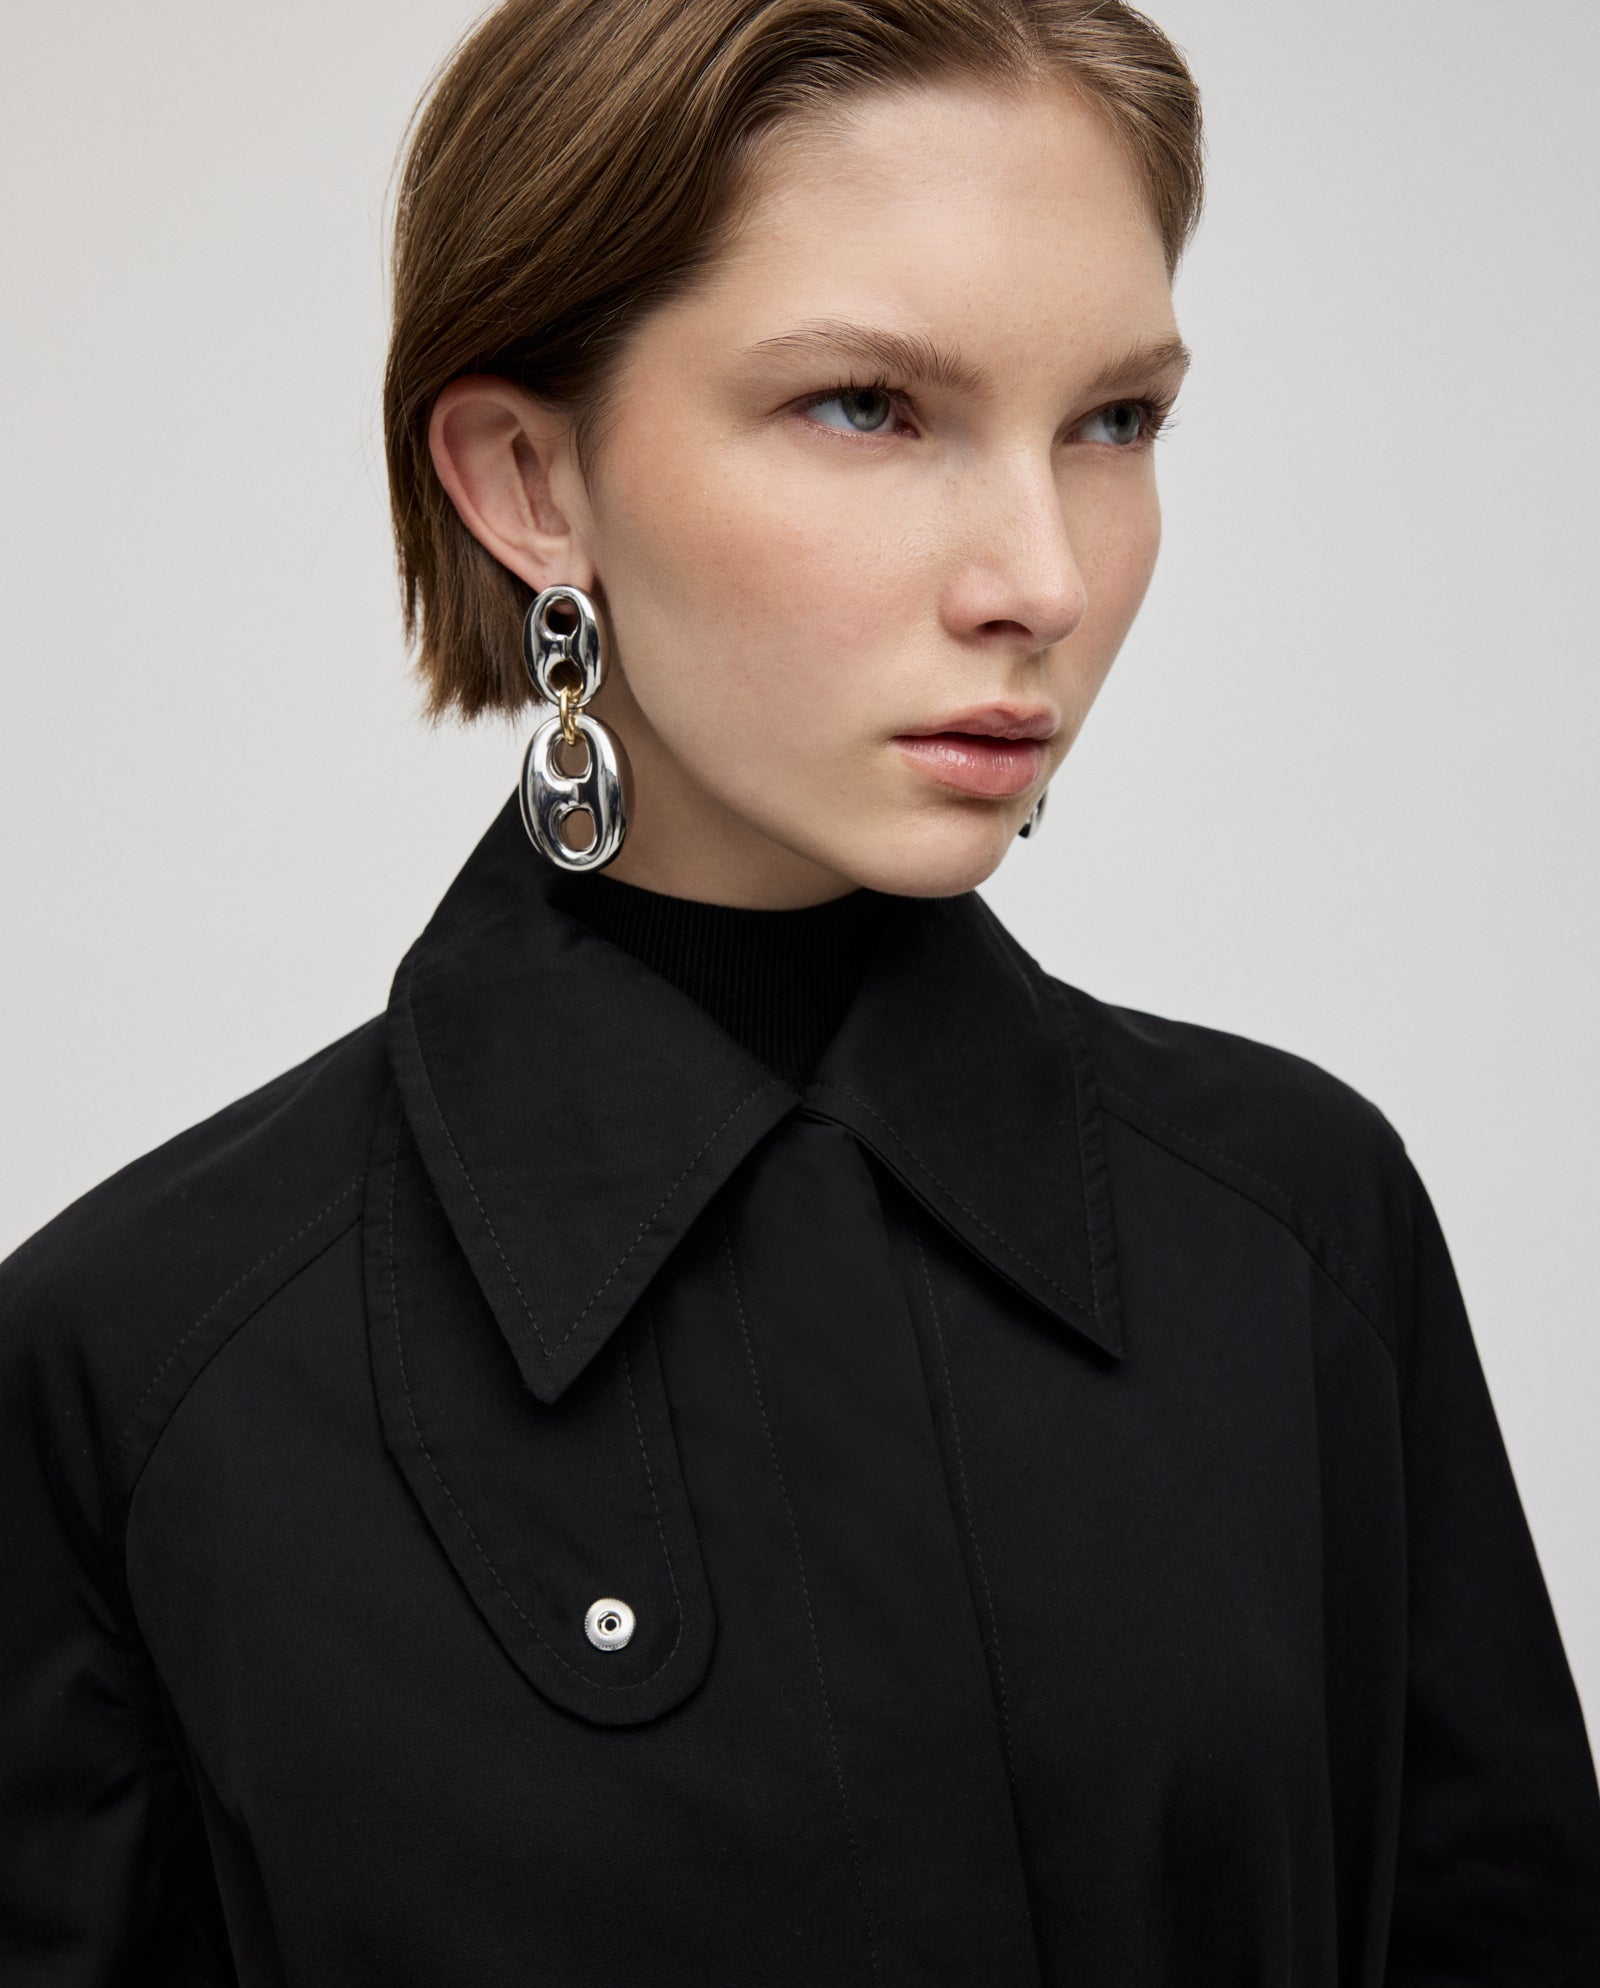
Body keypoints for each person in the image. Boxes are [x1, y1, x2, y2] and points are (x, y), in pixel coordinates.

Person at [2, 0, 1596, 1979]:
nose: (1041, 577)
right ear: (530, 478)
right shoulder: (138, 1373)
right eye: (866, 406)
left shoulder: (1297, 1231)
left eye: (1112, 421)